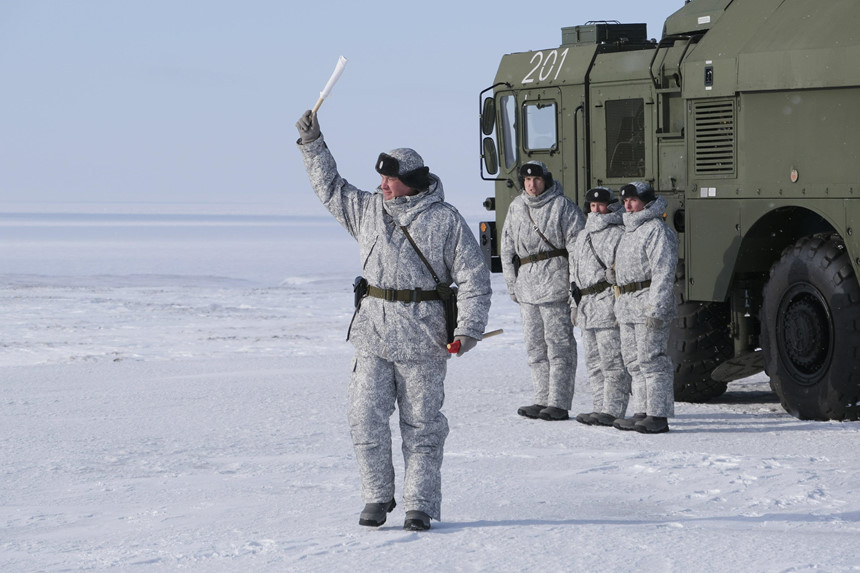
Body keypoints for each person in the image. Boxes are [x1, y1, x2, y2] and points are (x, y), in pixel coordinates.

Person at [295, 110, 492, 530]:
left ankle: (418, 505)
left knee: (422, 426)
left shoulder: (445, 220)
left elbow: (474, 279)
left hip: (423, 339)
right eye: (381, 179)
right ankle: (376, 497)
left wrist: (468, 331)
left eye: (390, 179)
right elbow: (330, 188)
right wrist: (313, 144)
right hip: (373, 335)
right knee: (363, 415)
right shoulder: (368, 210)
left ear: (413, 181)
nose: (382, 185)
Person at [501, 161, 585, 421]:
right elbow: (506, 248)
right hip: (527, 286)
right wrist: (512, 284)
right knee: (535, 347)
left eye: (536, 179)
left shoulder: (562, 206)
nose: (531, 184)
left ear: (545, 180)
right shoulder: (516, 207)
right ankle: (541, 399)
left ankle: (558, 403)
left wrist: (575, 289)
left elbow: (579, 250)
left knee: (559, 347)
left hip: (555, 284)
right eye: (527, 180)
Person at [611, 181, 678, 434]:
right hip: (628, 305)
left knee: (652, 360)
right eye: (625, 200)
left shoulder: (655, 230)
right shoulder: (628, 230)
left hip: (648, 303)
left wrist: (657, 308)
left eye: (633, 200)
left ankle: (658, 416)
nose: (627, 205)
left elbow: (663, 271)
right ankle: (642, 411)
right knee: (634, 362)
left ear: (646, 201)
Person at [570, 187, 632, 427]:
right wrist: (574, 304)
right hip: (586, 305)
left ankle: (613, 409)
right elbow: (573, 272)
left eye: (601, 205)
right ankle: (599, 406)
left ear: (611, 206)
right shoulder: (582, 235)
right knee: (594, 362)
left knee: (612, 361)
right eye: (592, 206)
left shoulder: (618, 233)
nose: (596, 210)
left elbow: (624, 268)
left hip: (607, 302)